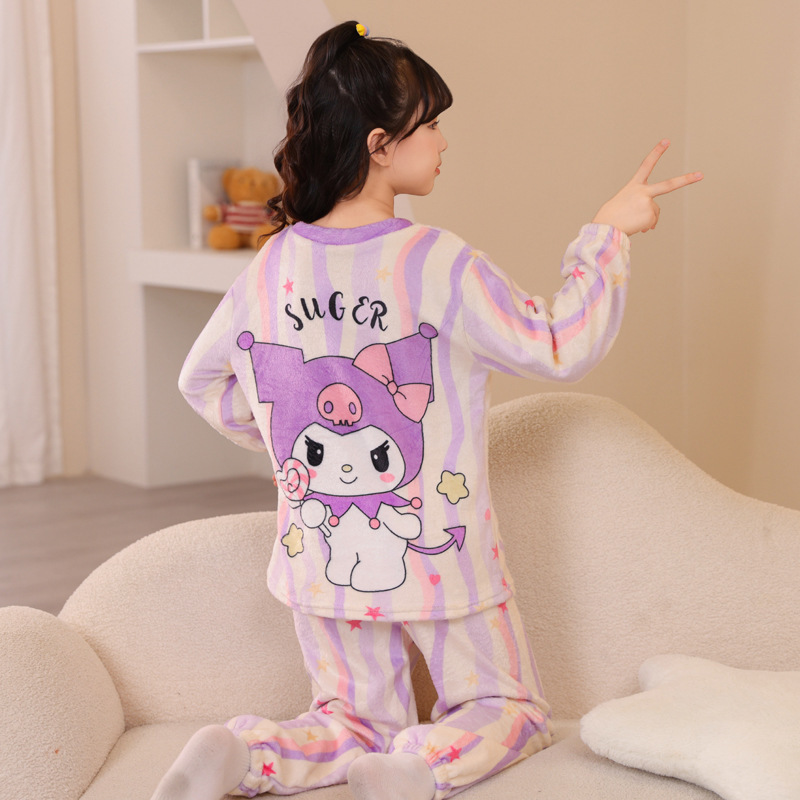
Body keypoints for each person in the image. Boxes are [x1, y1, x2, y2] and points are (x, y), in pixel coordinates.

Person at [152, 20, 702, 800]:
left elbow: (201, 380)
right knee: (509, 709)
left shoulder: (273, 262)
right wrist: (608, 235)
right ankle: (418, 767)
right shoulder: (436, 263)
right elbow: (557, 345)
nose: (444, 141)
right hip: (439, 551)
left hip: (319, 557)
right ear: (381, 145)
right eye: (431, 123)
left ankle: (245, 755)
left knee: (348, 721)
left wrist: (292, 449)